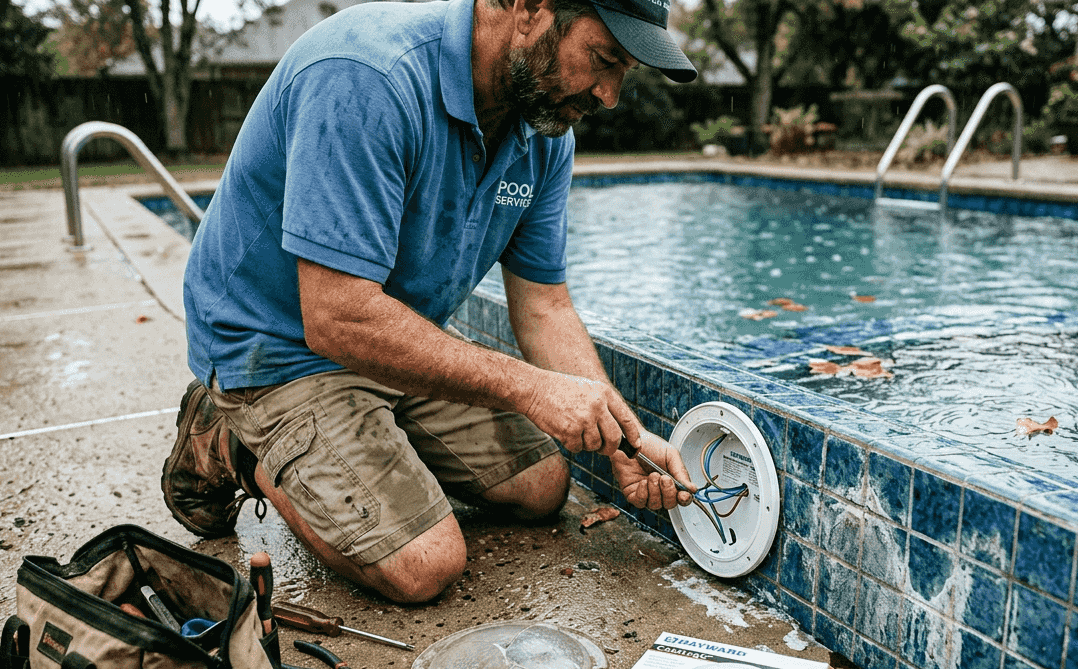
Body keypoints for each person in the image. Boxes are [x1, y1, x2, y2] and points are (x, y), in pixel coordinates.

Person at [161, 0, 699, 604]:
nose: (610, 95)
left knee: (545, 484)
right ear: (527, 9)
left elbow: (544, 304)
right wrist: (529, 387)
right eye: (602, 60)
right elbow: (336, 316)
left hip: (390, 336)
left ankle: (359, 442)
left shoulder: (541, 127)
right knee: (425, 563)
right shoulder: (366, 76)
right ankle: (237, 443)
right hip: (275, 348)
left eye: (623, 71)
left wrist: (625, 434)